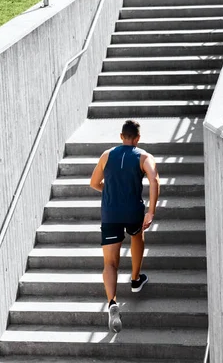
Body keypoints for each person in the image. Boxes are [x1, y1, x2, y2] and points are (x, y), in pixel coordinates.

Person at [89, 119, 160, 333]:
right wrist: (151, 211)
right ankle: (136, 279)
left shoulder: (106, 155)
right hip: (133, 212)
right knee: (137, 236)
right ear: (137, 139)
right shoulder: (144, 157)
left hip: (110, 213)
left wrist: (110, 192)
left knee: (110, 263)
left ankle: (112, 302)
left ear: (121, 136)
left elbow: (93, 183)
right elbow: (154, 180)